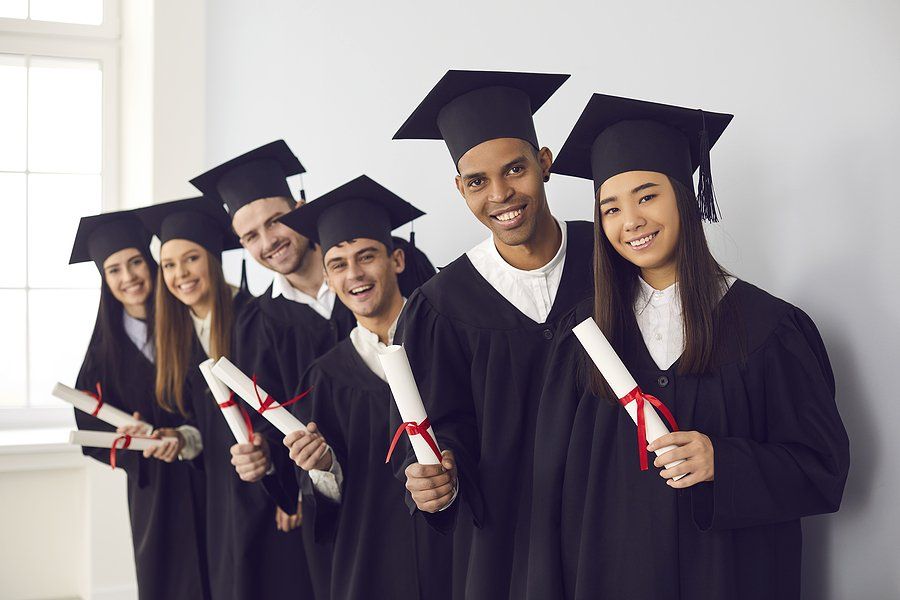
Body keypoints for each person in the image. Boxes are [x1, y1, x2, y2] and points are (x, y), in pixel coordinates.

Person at [536, 93, 850, 599]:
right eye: (610, 208)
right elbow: (551, 492)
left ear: (684, 195)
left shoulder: (769, 327)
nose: (630, 221)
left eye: (646, 196)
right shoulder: (584, 338)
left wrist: (722, 462)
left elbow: (823, 470)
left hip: (733, 580)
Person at [389, 69, 595, 598]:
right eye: (477, 182)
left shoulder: (609, 259)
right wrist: (436, 474)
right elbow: (432, 429)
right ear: (460, 189)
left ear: (544, 164)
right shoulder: (440, 305)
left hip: (613, 527)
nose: (501, 194)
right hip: (507, 549)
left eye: (515, 170)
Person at [191, 141, 355, 598]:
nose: (268, 243)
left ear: (300, 207)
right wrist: (269, 465)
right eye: (250, 237)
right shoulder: (257, 321)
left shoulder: (366, 273)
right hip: (323, 488)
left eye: (275, 222)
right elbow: (266, 411)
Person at [277, 174, 446, 600]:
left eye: (367, 256)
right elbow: (325, 507)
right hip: (371, 565)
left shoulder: (451, 345)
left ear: (397, 261)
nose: (354, 274)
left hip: (454, 555)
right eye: (338, 264)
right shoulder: (324, 378)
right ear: (330, 281)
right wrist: (322, 467)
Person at [137, 196, 312, 600]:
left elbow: (292, 407)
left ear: (213, 259)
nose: (180, 274)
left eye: (191, 259)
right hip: (220, 496)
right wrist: (179, 438)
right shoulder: (177, 334)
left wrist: (293, 488)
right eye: (169, 264)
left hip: (270, 491)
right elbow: (196, 423)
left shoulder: (257, 318)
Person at [69, 210, 211, 599]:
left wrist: (188, 436)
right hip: (155, 489)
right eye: (113, 270)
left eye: (134, 262)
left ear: (149, 263)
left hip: (209, 474)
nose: (128, 277)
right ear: (105, 280)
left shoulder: (189, 322)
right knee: (164, 578)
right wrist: (127, 439)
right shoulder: (104, 350)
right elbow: (88, 425)